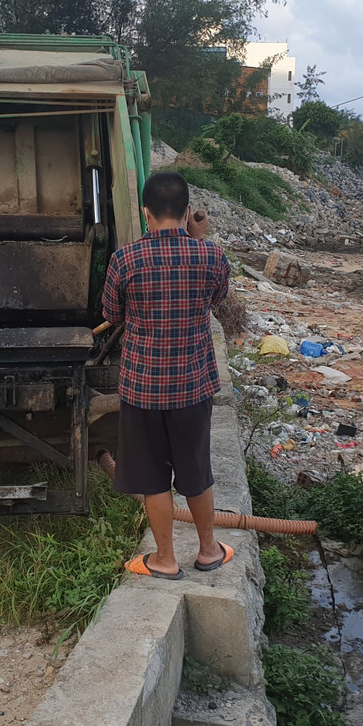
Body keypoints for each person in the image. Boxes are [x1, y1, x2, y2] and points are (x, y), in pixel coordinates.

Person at [102, 170, 232, 578]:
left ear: (146, 212)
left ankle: (164, 560)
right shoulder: (211, 256)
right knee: (197, 472)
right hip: (193, 387)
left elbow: (112, 315)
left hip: (142, 389)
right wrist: (197, 238)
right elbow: (217, 297)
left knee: (153, 478)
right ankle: (209, 550)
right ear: (188, 211)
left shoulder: (125, 259)